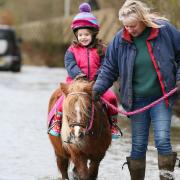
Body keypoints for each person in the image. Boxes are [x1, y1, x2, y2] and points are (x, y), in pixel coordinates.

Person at [92, 0, 180, 179]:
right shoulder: (120, 40)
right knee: (138, 145)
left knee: (162, 140)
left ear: (142, 19)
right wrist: (97, 89)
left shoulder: (165, 31)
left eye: (133, 25)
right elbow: (109, 68)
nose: (129, 29)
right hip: (136, 100)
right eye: (126, 26)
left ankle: (166, 177)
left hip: (161, 97)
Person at [48, 2, 121, 139]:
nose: (83, 37)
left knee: (111, 98)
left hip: (96, 84)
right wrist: (79, 75)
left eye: (86, 34)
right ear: (76, 35)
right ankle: (57, 122)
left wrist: (99, 77)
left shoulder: (101, 49)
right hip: (75, 84)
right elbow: (70, 65)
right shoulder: (71, 51)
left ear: (93, 34)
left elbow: (105, 65)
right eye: (80, 35)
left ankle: (113, 125)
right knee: (62, 100)